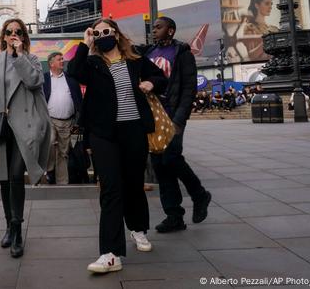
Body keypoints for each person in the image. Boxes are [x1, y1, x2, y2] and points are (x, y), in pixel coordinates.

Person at [68, 18, 167, 274]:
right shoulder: (92, 63)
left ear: (116, 33)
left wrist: (151, 83)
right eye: (97, 32)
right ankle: (110, 253)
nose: (102, 35)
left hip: (133, 130)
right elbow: (73, 72)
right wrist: (84, 42)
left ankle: (137, 229)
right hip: (103, 134)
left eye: (106, 31)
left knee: (133, 185)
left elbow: (160, 76)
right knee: (111, 188)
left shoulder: (135, 60)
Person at [0, 18, 51, 258]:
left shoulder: (30, 60)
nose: (13, 35)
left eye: (18, 32)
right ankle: (9, 225)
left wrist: (19, 56)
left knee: (17, 174)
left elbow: (34, 82)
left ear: (24, 37)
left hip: (24, 125)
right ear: (3, 36)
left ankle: (18, 230)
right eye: (9, 32)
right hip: (0, 125)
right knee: (3, 177)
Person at [143, 17, 211, 234]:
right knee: (160, 165)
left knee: (171, 158)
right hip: (153, 116)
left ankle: (199, 194)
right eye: (153, 27)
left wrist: (179, 120)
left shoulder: (182, 53)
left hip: (172, 116)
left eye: (159, 27)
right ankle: (174, 215)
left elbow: (189, 89)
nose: (154, 30)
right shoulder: (148, 52)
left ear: (170, 30)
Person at [43, 52, 82, 185]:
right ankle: (49, 169)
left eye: (62, 59)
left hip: (67, 122)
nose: (62, 61)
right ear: (51, 63)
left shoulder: (70, 78)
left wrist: (78, 118)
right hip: (50, 120)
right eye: (59, 59)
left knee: (63, 152)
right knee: (50, 142)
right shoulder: (44, 79)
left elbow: (78, 99)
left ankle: (62, 183)